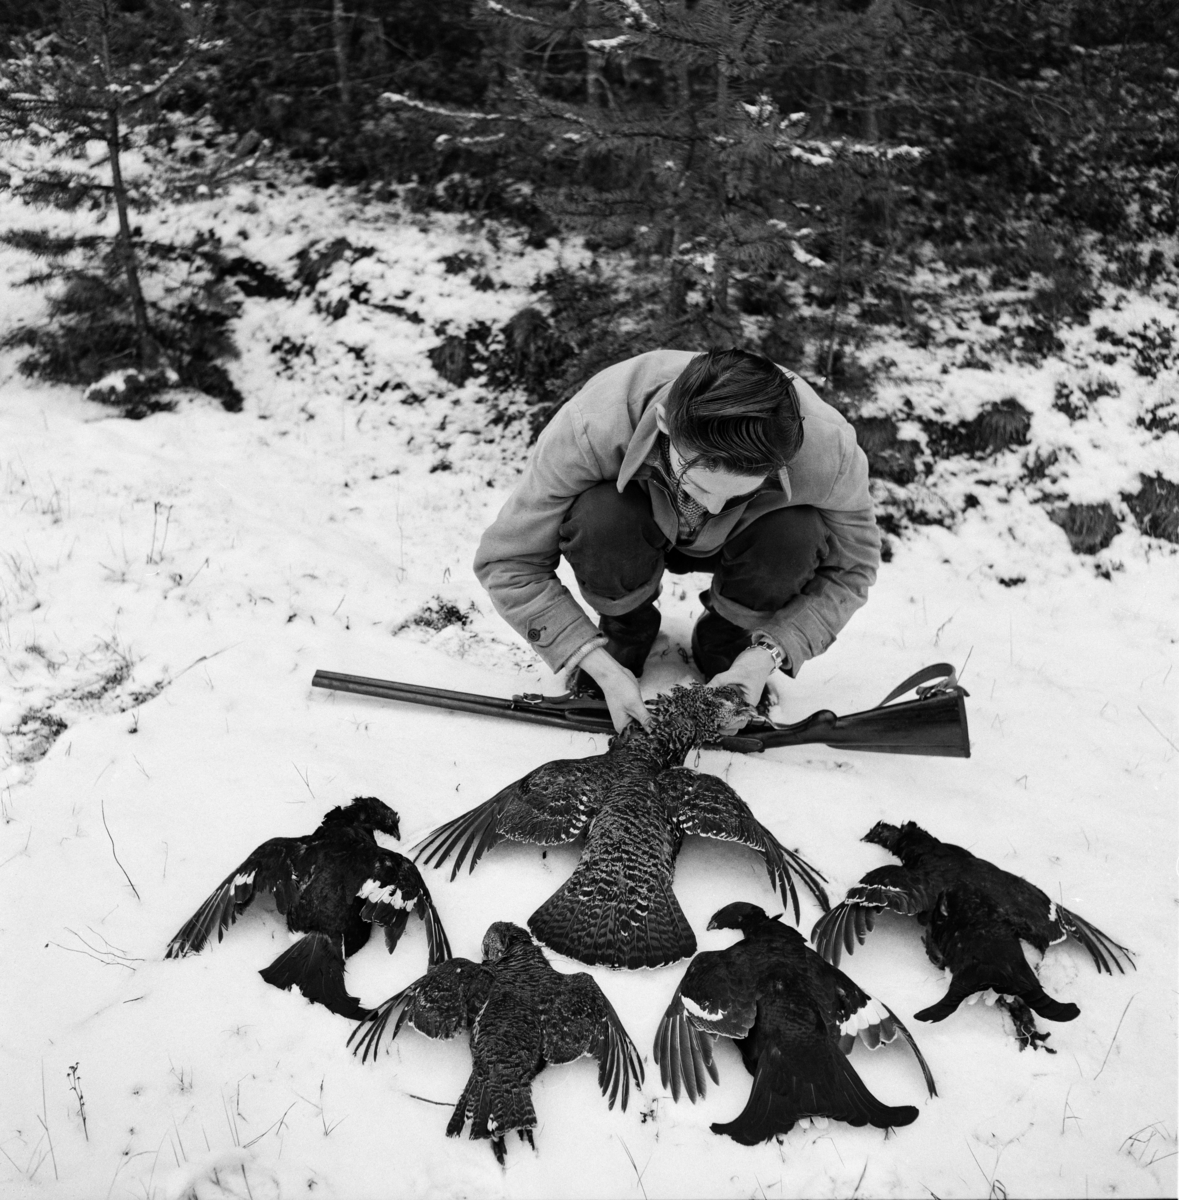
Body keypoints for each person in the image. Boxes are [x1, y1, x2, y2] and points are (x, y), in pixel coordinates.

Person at [474, 347, 880, 732]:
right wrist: (591, 659)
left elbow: (852, 569)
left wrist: (765, 656)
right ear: (665, 424)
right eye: (702, 486)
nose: (717, 508)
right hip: (632, 525)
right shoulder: (589, 426)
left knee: (797, 532)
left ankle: (727, 638)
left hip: (753, 541)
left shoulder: (830, 452)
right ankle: (626, 631)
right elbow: (509, 562)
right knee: (600, 513)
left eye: (740, 491)